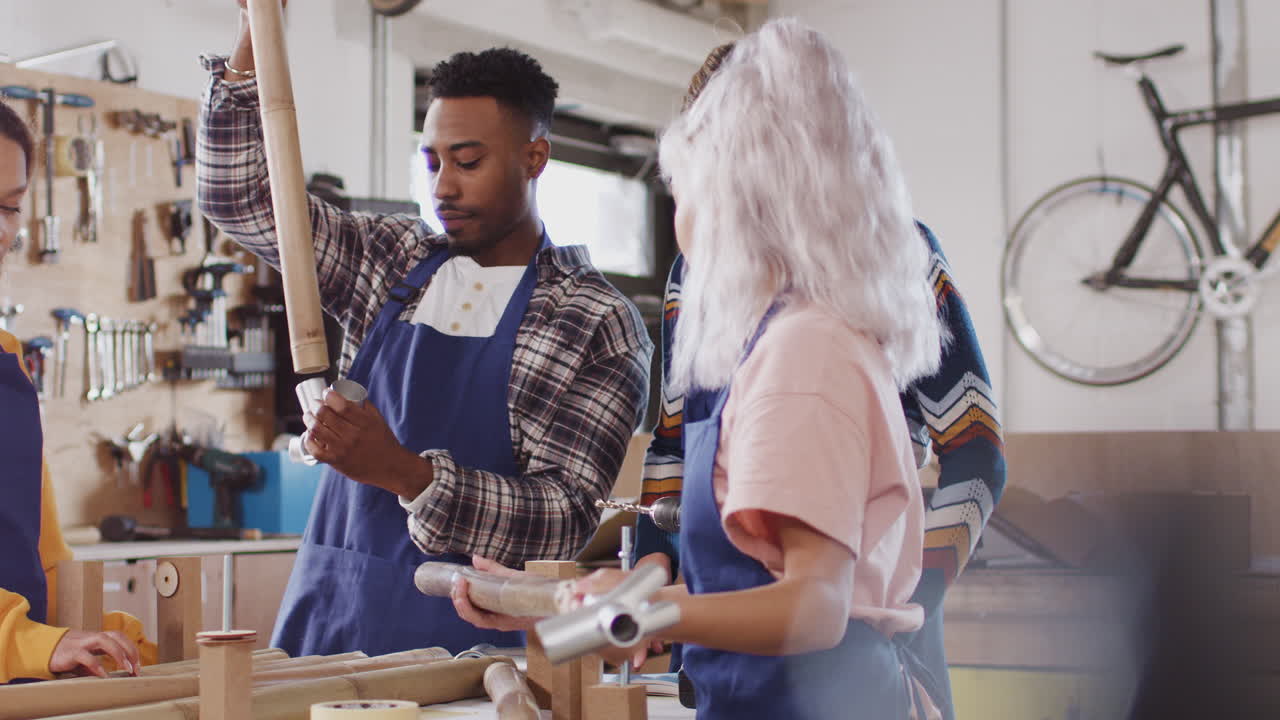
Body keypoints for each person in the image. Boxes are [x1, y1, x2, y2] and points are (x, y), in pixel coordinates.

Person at [455, 18, 950, 718]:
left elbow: (812, 609)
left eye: (682, 193)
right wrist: (556, 618)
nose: (679, 217)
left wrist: (641, 614)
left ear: (732, 203)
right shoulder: (775, 343)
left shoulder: (806, 352)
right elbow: (733, 586)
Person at [199, 3, 652, 657]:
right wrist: (254, 28)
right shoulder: (390, 261)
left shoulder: (595, 322)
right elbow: (236, 195)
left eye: (467, 162)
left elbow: (562, 519)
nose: (443, 187)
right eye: (433, 161)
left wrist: (407, 474)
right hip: (325, 638)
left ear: (534, 158)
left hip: (469, 665)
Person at [632, 41, 1007, 720]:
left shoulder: (884, 263)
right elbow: (674, 449)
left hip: (840, 643)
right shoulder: (697, 279)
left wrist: (907, 601)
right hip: (742, 635)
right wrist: (638, 590)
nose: (681, 213)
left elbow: (976, 451)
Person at [0, 100, 146, 683]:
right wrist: (35, 644)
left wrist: (98, 632)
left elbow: (40, 557)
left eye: (9, 205)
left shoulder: (9, 360)